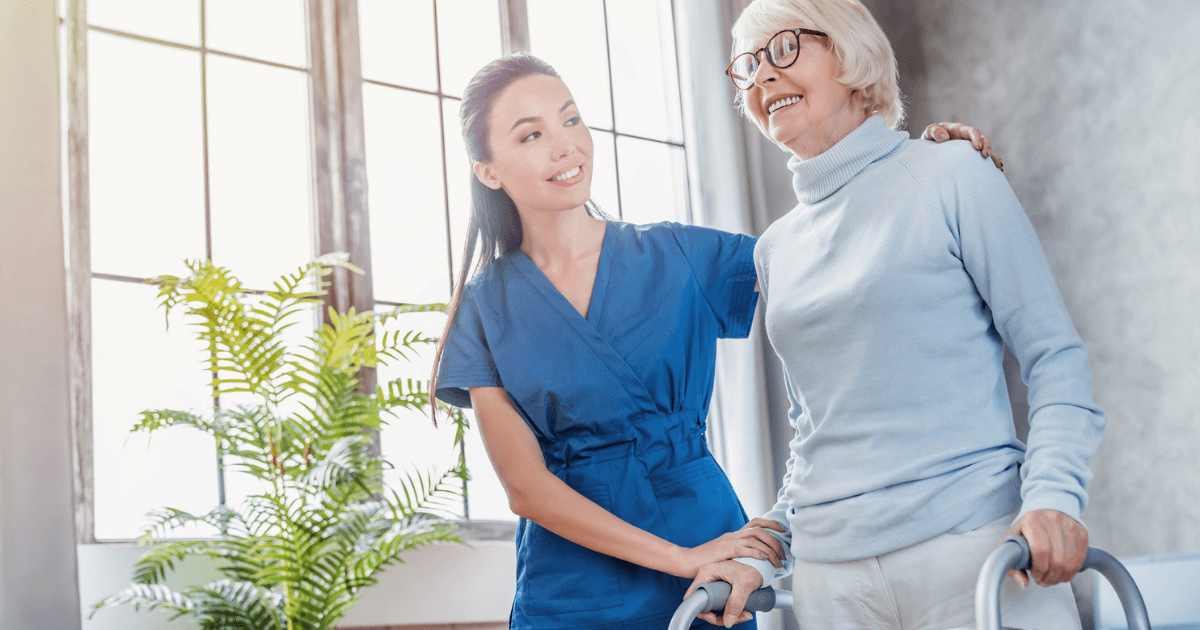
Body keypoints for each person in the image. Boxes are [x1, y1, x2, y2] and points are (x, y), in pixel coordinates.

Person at [430, 53, 995, 630]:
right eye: (531, 135)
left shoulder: (680, 256)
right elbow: (526, 489)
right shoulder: (484, 307)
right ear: (488, 171)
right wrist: (680, 558)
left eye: (571, 120)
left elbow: (838, 260)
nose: (565, 147)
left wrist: (915, 166)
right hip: (573, 586)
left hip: (709, 563)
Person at [685, 2, 1106, 629]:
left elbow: (1055, 355)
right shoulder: (775, 249)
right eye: (747, 66)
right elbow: (816, 433)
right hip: (834, 581)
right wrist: (767, 544)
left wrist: (1054, 495)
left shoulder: (952, 174)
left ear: (852, 55)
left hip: (976, 554)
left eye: (783, 49)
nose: (761, 78)